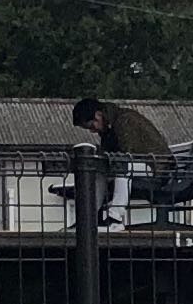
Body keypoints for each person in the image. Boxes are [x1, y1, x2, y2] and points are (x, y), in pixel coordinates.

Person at [70, 93, 180, 223]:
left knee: (122, 168)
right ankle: (89, 216)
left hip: (158, 168)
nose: (92, 131)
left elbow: (126, 154)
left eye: (91, 126)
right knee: (99, 172)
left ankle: (115, 217)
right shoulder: (111, 126)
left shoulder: (126, 121)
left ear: (98, 115)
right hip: (143, 164)